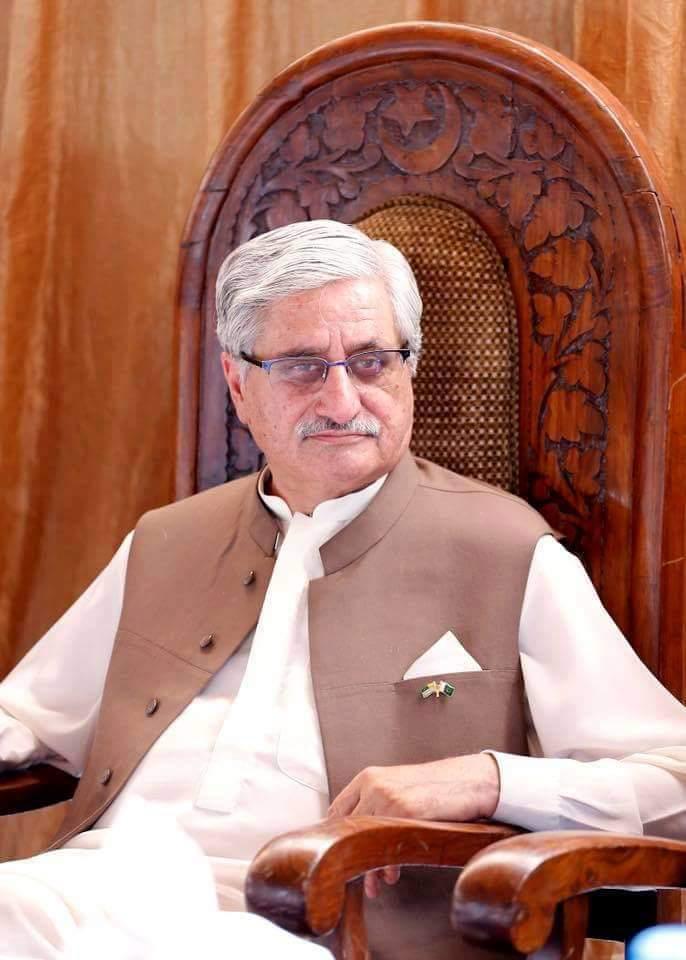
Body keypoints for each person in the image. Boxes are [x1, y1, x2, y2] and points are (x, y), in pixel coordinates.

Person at [0, 220, 685, 959]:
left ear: (408, 370)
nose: (341, 399)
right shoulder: (166, 540)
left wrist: (488, 780)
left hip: (323, 926)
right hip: (104, 886)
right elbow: (27, 717)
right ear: (238, 384)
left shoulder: (506, 550)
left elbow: (674, 781)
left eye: (370, 361)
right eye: (301, 366)